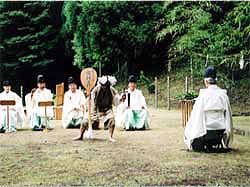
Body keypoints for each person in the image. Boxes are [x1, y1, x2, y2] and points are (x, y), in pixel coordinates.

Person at [184, 67, 233, 152]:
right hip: (220, 129)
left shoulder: (203, 96)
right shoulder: (223, 95)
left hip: (206, 130)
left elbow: (196, 115)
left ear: (206, 81)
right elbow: (228, 114)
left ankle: (199, 142)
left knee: (192, 125)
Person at [73, 75, 118, 142]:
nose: (104, 87)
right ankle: (80, 135)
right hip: (95, 109)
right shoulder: (96, 90)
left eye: (105, 85)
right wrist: (93, 112)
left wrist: (121, 99)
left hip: (107, 110)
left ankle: (110, 137)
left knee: (112, 121)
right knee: (85, 121)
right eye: (102, 85)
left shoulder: (112, 90)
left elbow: (116, 101)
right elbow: (92, 102)